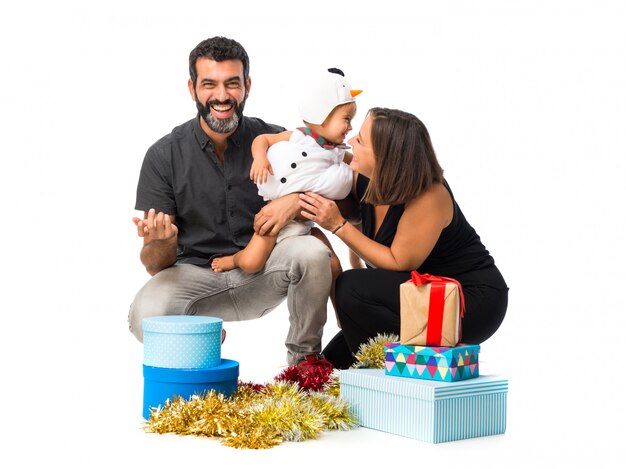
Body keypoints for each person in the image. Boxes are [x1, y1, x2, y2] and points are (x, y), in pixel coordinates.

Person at [129, 36, 334, 368]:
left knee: (311, 251)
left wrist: (294, 200)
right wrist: (164, 241)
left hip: (265, 271)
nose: (222, 96)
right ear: (192, 88)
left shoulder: (276, 141)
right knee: (145, 316)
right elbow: (155, 265)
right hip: (197, 281)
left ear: (247, 86)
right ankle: (205, 335)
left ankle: (304, 363)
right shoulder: (163, 155)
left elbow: (330, 192)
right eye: (209, 84)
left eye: (232, 84)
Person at [297, 107, 509, 369]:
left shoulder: (429, 195)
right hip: (419, 296)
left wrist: (338, 225)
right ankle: (368, 379)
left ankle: (383, 386)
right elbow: (313, 170)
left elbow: (398, 262)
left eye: (361, 141)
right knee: (332, 362)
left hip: (469, 300)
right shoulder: (365, 175)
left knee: (350, 287)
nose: (351, 142)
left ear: (386, 158)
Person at [210, 69, 361, 312]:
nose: (350, 127)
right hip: (275, 220)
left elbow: (358, 167)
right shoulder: (299, 137)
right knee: (251, 262)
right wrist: (259, 159)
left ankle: (344, 319)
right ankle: (234, 259)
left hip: (304, 225)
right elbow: (262, 140)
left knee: (333, 265)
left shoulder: (337, 152)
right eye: (346, 119)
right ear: (323, 115)